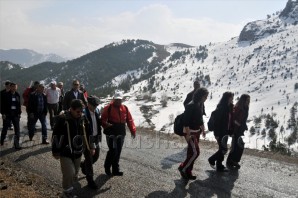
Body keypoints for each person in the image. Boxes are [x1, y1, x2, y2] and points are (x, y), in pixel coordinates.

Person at [52, 99, 95, 198]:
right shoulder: (63, 119)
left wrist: (92, 146)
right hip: (65, 151)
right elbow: (56, 135)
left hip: (78, 151)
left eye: (82, 111)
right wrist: (55, 151)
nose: (80, 113)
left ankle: (68, 190)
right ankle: (67, 192)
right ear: (71, 109)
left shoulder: (83, 119)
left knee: (75, 174)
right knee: (69, 173)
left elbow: (90, 133)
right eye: (78, 111)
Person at [101, 92, 136, 176]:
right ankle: (107, 167)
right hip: (111, 132)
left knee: (118, 151)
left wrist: (133, 130)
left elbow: (129, 120)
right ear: (114, 99)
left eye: (120, 100)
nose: (118, 101)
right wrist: (106, 125)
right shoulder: (108, 108)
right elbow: (102, 120)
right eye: (117, 99)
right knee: (113, 150)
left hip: (121, 132)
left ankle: (115, 169)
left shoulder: (125, 108)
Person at [178, 88, 208, 180]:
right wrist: (188, 134)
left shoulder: (200, 104)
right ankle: (183, 167)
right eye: (205, 96)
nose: (206, 98)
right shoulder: (191, 105)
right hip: (190, 133)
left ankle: (188, 171)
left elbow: (200, 119)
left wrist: (202, 130)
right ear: (201, 96)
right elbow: (186, 122)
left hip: (196, 132)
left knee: (191, 152)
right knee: (196, 153)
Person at [208, 92, 234, 172]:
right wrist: (216, 134)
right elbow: (217, 122)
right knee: (224, 149)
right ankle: (212, 159)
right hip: (220, 132)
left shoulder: (229, 107)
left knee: (222, 149)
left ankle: (219, 165)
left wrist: (230, 131)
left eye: (232, 97)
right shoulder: (222, 107)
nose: (232, 99)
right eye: (231, 97)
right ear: (227, 98)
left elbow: (229, 121)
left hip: (225, 131)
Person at [80, 95, 102, 189]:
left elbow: (98, 123)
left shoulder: (96, 111)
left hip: (96, 137)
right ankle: (90, 181)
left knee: (96, 156)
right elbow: (85, 131)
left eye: (96, 106)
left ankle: (83, 165)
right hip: (87, 139)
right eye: (93, 105)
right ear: (88, 104)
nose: (95, 107)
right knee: (89, 159)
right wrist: (91, 144)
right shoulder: (83, 113)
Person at [226, 94, 250, 169]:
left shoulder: (245, 108)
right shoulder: (238, 107)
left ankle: (232, 161)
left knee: (237, 146)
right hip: (235, 130)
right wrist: (237, 124)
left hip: (240, 130)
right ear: (243, 100)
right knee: (237, 146)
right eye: (247, 100)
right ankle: (232, 161)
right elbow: (233, 119)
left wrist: (244, 125)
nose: (248, 102)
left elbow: (243, 119)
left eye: (249, 100)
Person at [0, 82, 22, 149]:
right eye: (13, 87)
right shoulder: (6, 95)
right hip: (7, 114)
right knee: (5, 128)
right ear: (10, 87)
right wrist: (3, 113)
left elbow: (19, 105)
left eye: (15, 87)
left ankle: (16, 144)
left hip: (15, 115)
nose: (14, 88)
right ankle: (2, 140)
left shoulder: (17, 95)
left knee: (17, 130)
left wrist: (19, 113)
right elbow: (2, 105)